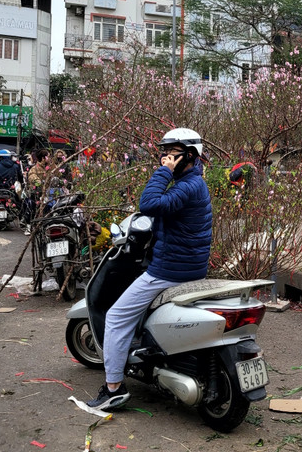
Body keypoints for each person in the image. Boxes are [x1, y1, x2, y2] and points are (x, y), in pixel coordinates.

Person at [87, 128, 213, 410]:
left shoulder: (186, 185)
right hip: (190, 266)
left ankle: (113, 389)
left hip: (170, 270)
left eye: (173, 153)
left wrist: (163, 172)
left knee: (117, 317)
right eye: (164, 153)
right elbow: (163, 215)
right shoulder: (193, 183)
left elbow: (149, 204)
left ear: (190, 155)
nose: (165, 158)